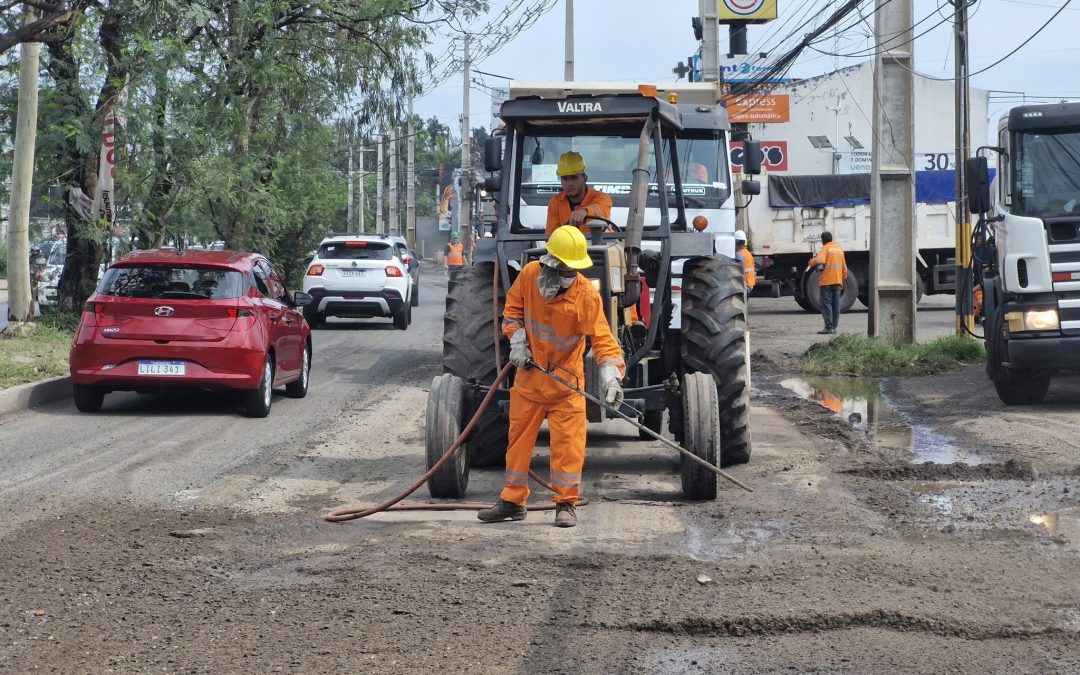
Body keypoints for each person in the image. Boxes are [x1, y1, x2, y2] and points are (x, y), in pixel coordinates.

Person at [478, 225, 625, 528]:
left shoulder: (586, 297)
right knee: (517, 445)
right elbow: (513, 311)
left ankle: (566, 503)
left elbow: (604, 341)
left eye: (575, 268)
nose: (571, 273)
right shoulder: (531, 274)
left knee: (568, 448)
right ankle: (512, 501)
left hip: (566, 387)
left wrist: (612, 377)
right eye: (566, 268)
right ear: (550, 263)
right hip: (530, 381)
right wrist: (517, 340)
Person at [545, 151, 613, 234]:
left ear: (585, 179)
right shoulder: (555, 202)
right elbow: (550, 236)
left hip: (597, 246)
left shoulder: (602, 198)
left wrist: (585, 211)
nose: (569, 183)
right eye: (565, 178)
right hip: (567, 246)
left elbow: (600, 208)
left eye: (574, 178)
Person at [807, 231, 848, 334]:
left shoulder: (825, 248)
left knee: (826, 304)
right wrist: (843, 278)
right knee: (836, 304)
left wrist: (811, 262)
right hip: (838, 281)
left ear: (822, 240)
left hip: (826, 282)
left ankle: (828, 327)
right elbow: (844, 267)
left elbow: (820, 260)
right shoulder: (839, 249)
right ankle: (833, 327)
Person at [735, 229, 755, 295]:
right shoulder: (747, 253)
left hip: (744, 286)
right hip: (750, 284)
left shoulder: (739, 255)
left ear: (735, 242)